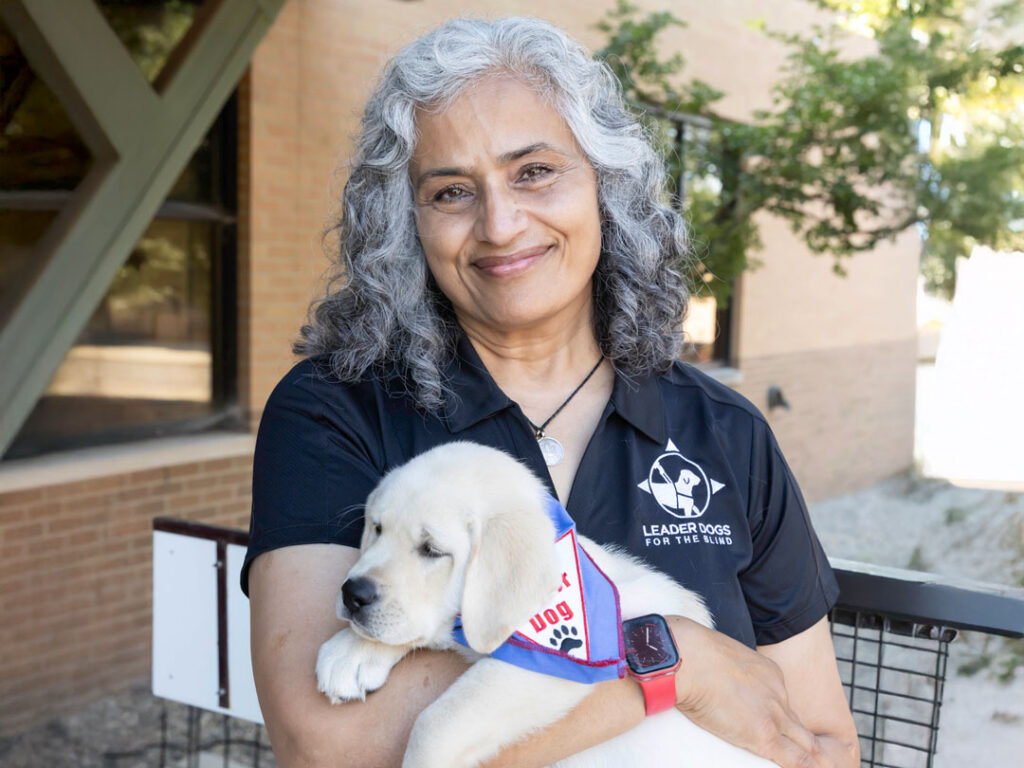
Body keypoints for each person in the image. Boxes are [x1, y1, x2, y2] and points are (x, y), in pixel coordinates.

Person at [243, 16, 859, 768]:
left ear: (607, 185)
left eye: (534, 171)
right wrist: (670, 663)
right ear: (405, 223)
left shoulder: (722, 432)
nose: (500, 225)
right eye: (450, 191)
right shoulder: (334, 410)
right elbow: (327, 741)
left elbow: (821, 745)